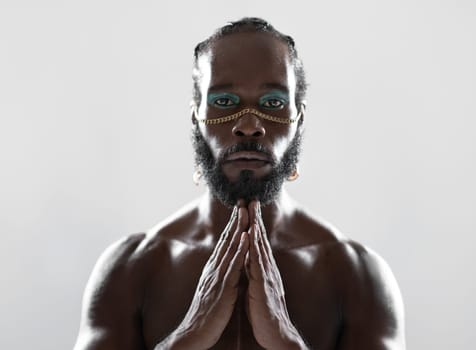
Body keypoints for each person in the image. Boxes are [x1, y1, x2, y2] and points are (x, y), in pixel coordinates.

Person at [74, 17, 406, 350]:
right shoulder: (132, 268)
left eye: (272, 103)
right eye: (224, 102)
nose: (248, 125)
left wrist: (288, 344)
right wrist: (185, 339)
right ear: (197, 117)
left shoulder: (357, 276)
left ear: (298, 120)